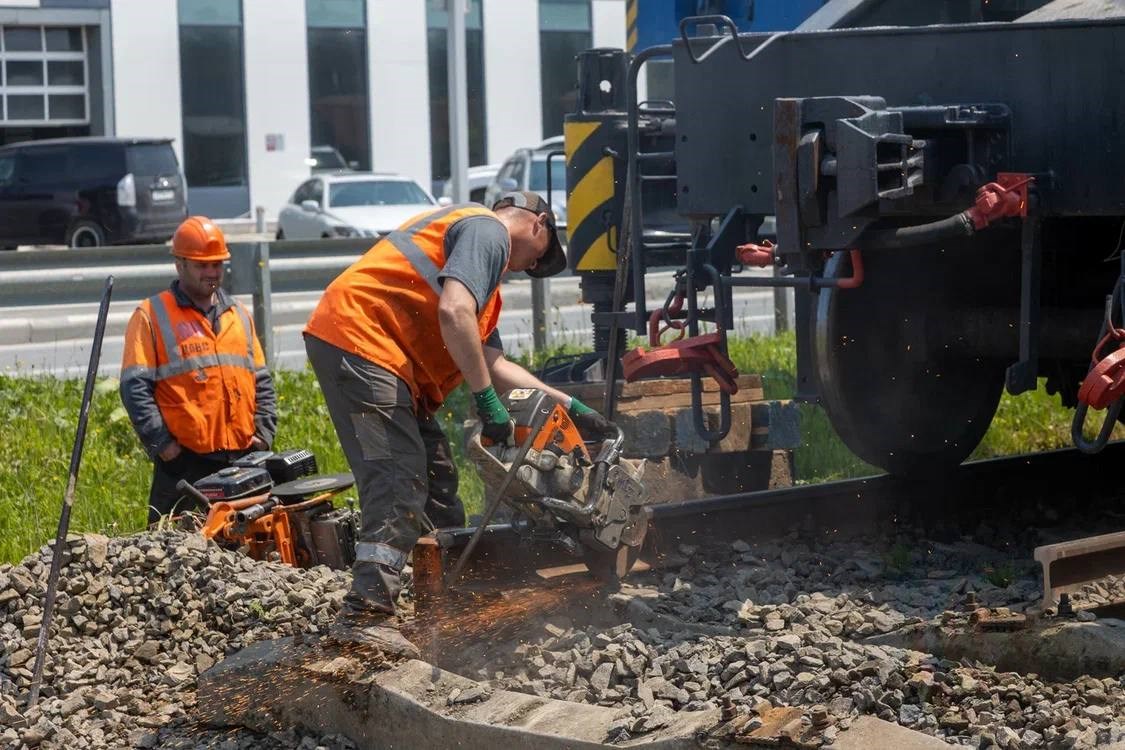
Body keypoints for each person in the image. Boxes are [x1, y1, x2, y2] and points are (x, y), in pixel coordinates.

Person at [303, 191, 615, 655]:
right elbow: (453, 313)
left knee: (437, 480)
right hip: (361, 346)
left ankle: (452, 601)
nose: (526, 268)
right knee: (397, 479)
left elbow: (492, 358)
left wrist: (568, 404)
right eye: (538, 257)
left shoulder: (478, 269)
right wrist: (485, 400)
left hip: (378, 359)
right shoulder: (487, 232)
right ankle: (365, 615)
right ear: (538, 224)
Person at [120, 216, 277, 524]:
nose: (212, 273)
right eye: (202, 265)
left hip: (244, 460)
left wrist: (264, 434)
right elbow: (134, 388)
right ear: (180, 265)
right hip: (185, 467)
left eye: (217, 264)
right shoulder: (151, 315)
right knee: (175, 559)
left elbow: (261, 380)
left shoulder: (239, 315)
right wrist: (165, 449)